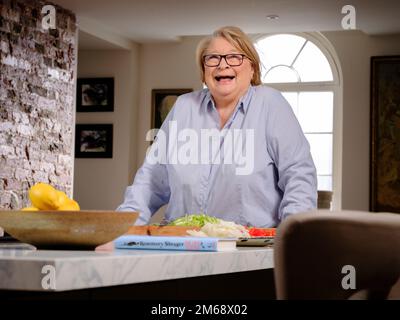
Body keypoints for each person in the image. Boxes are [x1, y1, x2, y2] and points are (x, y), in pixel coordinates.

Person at [117, 26, 317, 227]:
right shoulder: (184, 107)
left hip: (249, 248)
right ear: (204, 72)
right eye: (212, 58)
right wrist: (119, 229)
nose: (223, 65)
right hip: (180, 244)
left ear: (253, 68)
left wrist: (293, 236)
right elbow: (150, 181)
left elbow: (298, 175)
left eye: (234, 57)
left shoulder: (270, 104)